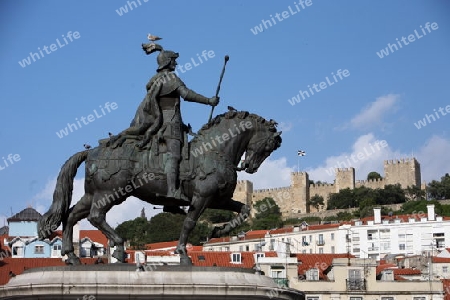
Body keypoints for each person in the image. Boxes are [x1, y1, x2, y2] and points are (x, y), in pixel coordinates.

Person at [113, 43, 219, 201]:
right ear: (168, 62)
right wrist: (208, 100)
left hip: (162, 122)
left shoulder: (155, 81)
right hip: (170, 124)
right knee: (174, 156)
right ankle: (171, 192)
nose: (176, 63)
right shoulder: (171, 78)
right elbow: (187, 94)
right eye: (174, 60)